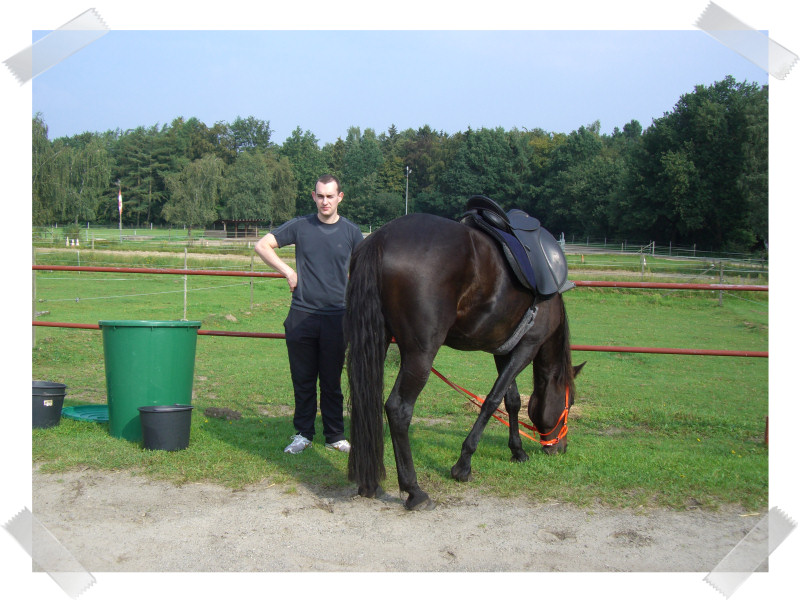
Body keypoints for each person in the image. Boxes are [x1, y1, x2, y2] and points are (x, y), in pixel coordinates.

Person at [254, 174, 363, 454]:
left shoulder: (352, 233)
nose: (325, 201)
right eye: (320, 196)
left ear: (340, 197)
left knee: (331, 381)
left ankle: (335, 435)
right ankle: (303, 434)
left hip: (337, 317)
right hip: (301, 315)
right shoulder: (300, 226)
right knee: (302, 379)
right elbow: (262, 245)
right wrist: (288, 271)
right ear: (314, 196)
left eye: (330, 196)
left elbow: (364, 271)